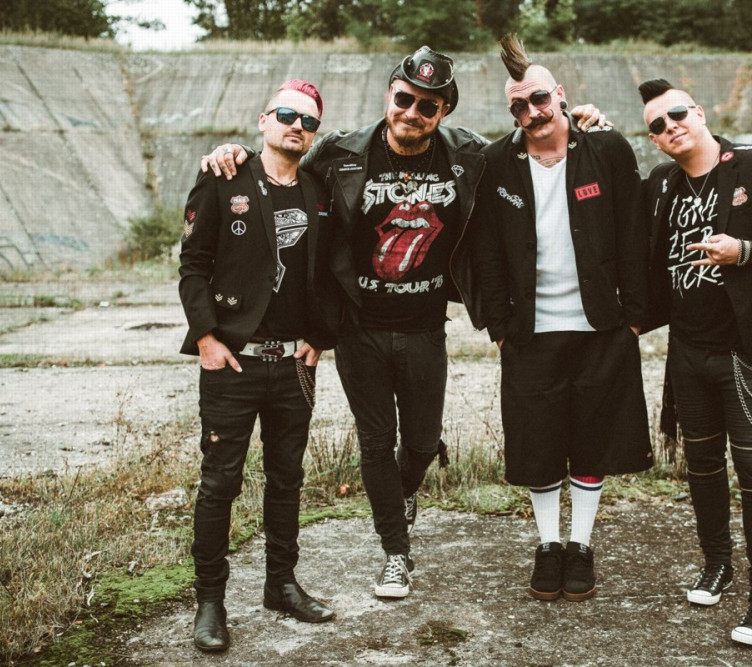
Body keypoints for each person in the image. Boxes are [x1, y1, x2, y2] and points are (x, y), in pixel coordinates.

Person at [201, 46, 607, 601]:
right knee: (376, 443)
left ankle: (404, 490)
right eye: (404, 99)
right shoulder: (340, 153)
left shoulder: (469, 155)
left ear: (444, 112)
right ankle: (396, 553)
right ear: (389, 95)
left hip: (424, 326)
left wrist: (583, 123)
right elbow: (282, 165)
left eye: (428, 106)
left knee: (419, 443)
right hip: (359, 328)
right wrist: (237, 153)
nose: (412, 112)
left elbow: (538, 139)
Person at [638, 78, 752, 645]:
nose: (670, 127)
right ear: (654, 140)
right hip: (687, 351)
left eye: (677, 114)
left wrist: (745, 251)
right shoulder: (661, 183)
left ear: (698, 112)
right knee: (701, 465)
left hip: (749, 350)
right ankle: (717, 565)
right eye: (657, 125)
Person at [473, 35, 653, 602]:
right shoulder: (494, 163)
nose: (532, 112)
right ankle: (549, 544)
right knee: (538, 443)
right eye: (519, 107)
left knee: (592, 441)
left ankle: (581, 544)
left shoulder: (608, 149)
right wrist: (499, 329)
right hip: (529, 332)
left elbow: (635, 234)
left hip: (601, 327)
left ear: (561, 95)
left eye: (540, 99)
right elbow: (486, 252)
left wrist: (635, 320)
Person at [179, 79, 339, 653]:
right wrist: (206, 337)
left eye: (309, 121)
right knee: (220, 482)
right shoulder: (225, 177)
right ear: (264, 119)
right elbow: (193, 264)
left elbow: (334, 269)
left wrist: (321, 336)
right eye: (288, 115)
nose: (298, 126)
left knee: (287, 478)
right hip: (233, 363)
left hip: (294, 365)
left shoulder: (319, 189)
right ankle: (210, 602)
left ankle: (281, 585)